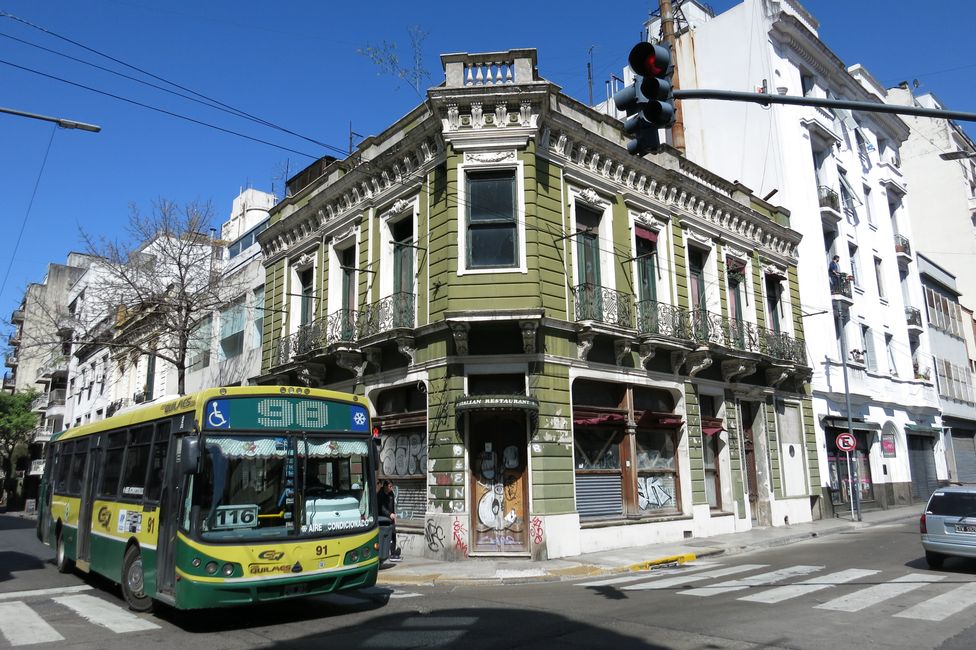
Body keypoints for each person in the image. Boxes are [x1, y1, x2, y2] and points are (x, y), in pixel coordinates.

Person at [377, 479, 401, 561]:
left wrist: (394, 516)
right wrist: (389, 514)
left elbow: (393, 506)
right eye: (390, 486)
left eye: (392, 486)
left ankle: (393, 552)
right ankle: (383, 553)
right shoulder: (380, 495)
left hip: (391, 518)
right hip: (382, 519)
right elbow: (381, 508)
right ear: (385, 486)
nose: (391, 488)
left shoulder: (391, 494)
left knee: (393, 534)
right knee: (384, 536)